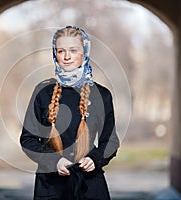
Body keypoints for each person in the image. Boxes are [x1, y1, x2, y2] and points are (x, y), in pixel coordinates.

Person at [20, 25, 120, 200]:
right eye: (61, 51)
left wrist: (95, 159)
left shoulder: (101, 95)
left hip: (90, 186)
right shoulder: (43, 92)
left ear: (85, 52)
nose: (66, 57)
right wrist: (54, 161)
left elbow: (110, 140)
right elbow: (28, 139)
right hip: (50, 187)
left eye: (73, 50)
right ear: (55, 54)